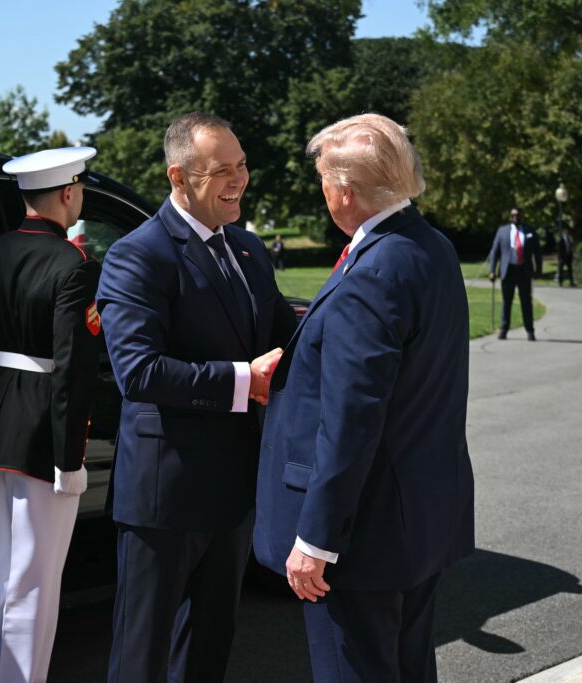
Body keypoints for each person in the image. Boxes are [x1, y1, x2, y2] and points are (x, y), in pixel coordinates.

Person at [254, 113, 475, 682]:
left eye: (324, 181)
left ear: (346, 192)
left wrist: (316, 539)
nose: (323, 192)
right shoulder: (430, 247)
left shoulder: (373, 271)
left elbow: (351, 420)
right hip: (418, 515)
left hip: (363, 534)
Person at [97, 112, 298, 683]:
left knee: (210, 648)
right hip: (166, 495)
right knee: (142, 655)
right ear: (178, 177)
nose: (238, 180)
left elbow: (289, 336)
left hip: (234, 493)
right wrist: (244, 382)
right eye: (221, 170)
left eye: (242, 166)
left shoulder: (249, 249)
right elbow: (138, 371)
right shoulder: (138, 254)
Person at [0, 147, 102, 683]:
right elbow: (73, 370)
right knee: (34, 582)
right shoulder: (73, 265)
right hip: (41, 434)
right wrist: (70, 459)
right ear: (68, 193)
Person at [488, 207, 542, 340]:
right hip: (508, 271)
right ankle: (504, 329)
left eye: (518, 215)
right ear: (509, 217)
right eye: (513, 215)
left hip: (524, 270)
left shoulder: (530, 231)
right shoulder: (502, 231)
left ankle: (530, 330)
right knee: (506, 301)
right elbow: (495, 252)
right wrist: (492, 271)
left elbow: (537, 252)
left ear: (522, 217)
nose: (515, 218)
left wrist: (538, 270)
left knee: (526, 302)